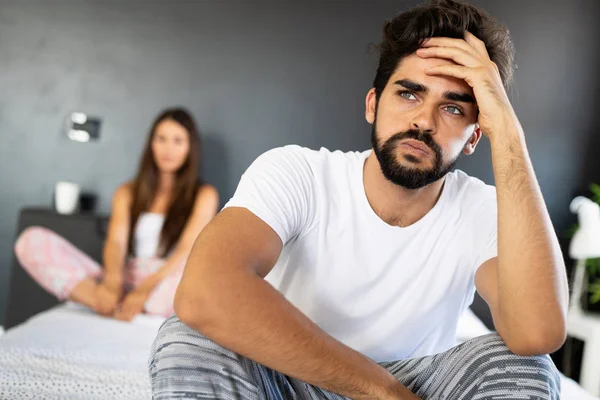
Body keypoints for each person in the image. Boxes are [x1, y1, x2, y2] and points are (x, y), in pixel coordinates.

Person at [149, 0, 568, 398]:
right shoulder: (298, 173)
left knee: (526, 367)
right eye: (408, 94)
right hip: (292, 376)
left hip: (417, 380)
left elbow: (537, 334)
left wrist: (510, 136)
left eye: (453, 109)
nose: (423, 120)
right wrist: (382, 393)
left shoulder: (483, 210)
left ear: (476, 135)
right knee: (188, 339)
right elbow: (204, 290)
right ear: (373, 104)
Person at [15, 108, 219, 321]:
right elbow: (116, 242)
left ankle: (123, 306)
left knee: (195, 285)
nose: (168, 149)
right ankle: (109, 303)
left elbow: (186, 250)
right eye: (161, 139)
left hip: (166, 279)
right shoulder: (127, 192)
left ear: (190, 147)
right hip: (126, 275)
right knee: (30, 240)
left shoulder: (204, 195)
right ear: (151, 143)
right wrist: (112, 283)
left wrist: (145, 289)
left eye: (178, 141)